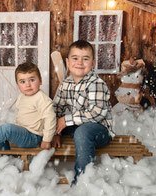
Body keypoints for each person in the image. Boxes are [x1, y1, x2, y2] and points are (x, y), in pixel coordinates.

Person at [53, 40, 114, 184]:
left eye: (85, 59)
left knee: (83, 131)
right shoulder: (65, 84)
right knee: (46, 121)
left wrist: (65, 121)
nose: (79, 62)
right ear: (68, 62)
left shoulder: (96, 83)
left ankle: (82, 180)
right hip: (78, 124)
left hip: (99, 129)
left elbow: (96, 113)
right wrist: (56, 132)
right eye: (75, 58)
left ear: (92, 63)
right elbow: (57, 107)